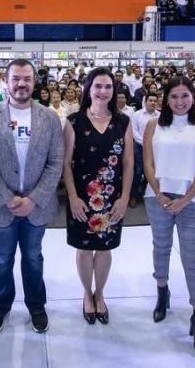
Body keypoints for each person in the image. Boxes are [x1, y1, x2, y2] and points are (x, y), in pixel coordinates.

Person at [0, 59, 64, 335]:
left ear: (34, 82)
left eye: (27, 78)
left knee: (34, 257)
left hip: (37, 205)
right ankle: (0, 306)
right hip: (1, 205)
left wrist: (34, 199)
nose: (21, 84)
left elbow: (56, 162)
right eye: (16, 79)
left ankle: (36, 305)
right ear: (6, 81)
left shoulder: (48, 117)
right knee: (3, 257)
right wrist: (7, 197)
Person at [142, 76, 195, 357]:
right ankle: (163, 292)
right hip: (157, 197)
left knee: (192, 258)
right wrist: (159, 193)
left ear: (193, 98)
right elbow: (147, 162)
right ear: (166, 99)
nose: (180, 102)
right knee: (160, 248)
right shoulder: (153, 124)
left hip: (191, 200)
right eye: (174, 97)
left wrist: (185, 199)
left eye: (185, 96)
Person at [62, 68, 133, 326]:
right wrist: (72, 196)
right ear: (88, 89)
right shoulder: (73, 121)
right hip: (82, 198)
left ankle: (100, 293)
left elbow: (128, 163)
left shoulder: (123, 121)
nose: (103, 91)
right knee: (84, 249)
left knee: (104, 249)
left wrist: (125, 197)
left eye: (108, 86)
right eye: (98, 86)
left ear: (114, 90)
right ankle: (86, 293)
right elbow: (66, 163)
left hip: (112, 199)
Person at [130, 92, 160, 207]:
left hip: (155, 147)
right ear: (145, 101)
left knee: (154, 172)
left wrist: (152, 144)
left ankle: (153, 195)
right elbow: (134, 132)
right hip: (139, 146)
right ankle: (133, 196)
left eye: (154, 101)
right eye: (150, 100)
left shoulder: (160, 116)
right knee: (138, 171)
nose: (152, 103)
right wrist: (146, 143)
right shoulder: (137, 114)